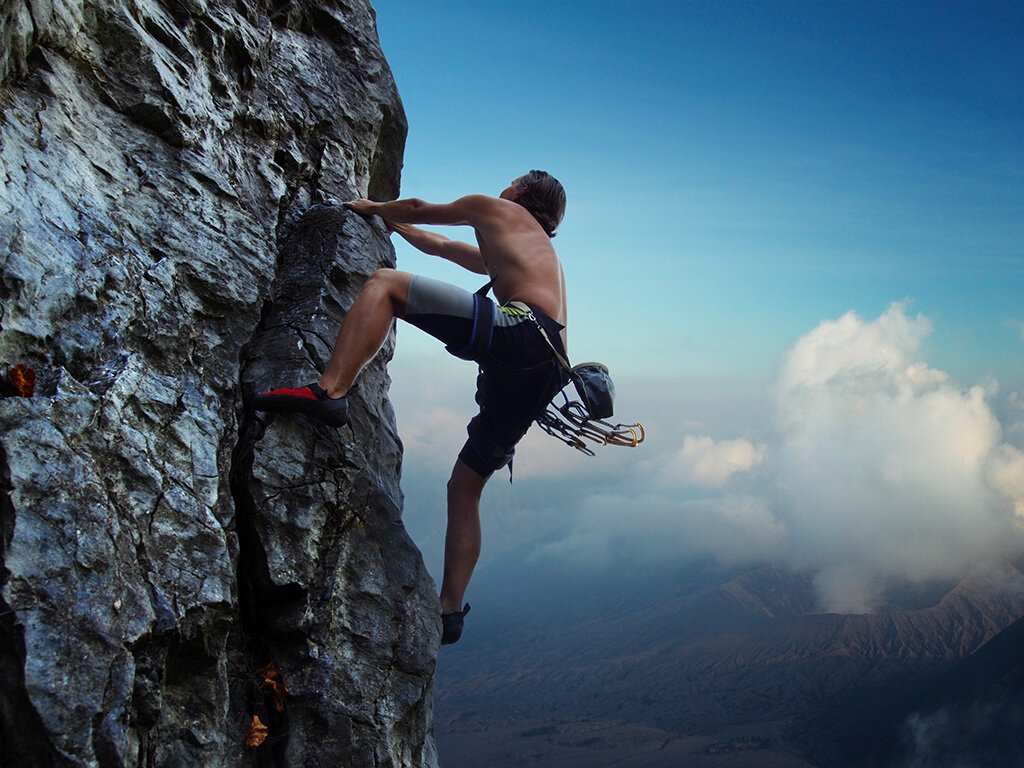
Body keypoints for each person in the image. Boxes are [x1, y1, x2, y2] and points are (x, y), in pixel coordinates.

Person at [252, 170, 568, 644]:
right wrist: (392, 225)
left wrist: (377, 208)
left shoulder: (500, 210)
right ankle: (450, 610)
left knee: (385, 284)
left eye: (516, 180)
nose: (507, 185)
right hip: (547, 370)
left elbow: (420, 208)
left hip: (522, 334)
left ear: (524, 192)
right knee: (464, 486)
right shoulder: (526, 248)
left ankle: (329, 392)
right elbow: (438, 244)